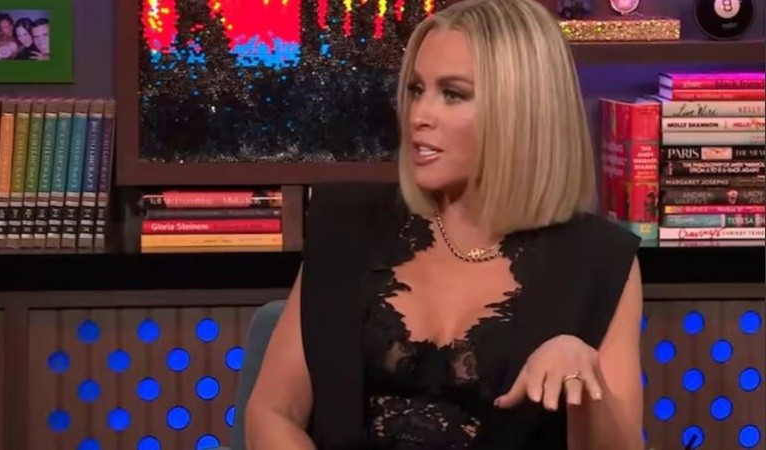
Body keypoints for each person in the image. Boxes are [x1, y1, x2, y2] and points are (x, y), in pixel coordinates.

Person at [245, 0, 644, 448]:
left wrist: (584, 381)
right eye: (417, 89)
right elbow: (273, 412)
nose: (418, 115)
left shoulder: (599, 262)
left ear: (522, 110)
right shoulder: (345, 224)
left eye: (452, 94)